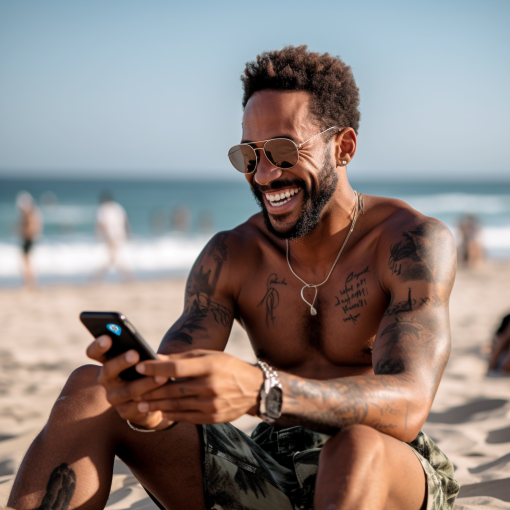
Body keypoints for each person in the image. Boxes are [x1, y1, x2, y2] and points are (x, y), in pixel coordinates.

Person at [8, 46, 460, 510]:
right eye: (248, 155)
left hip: (384, 466)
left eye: (284, 151)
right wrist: (145, 404)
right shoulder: (232, 254)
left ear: (342, 147)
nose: (264, 175)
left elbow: (409, 403)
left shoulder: (410, 242)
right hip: (267, 464)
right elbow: (172, 391)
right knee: (91, 390)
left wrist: (264, 390)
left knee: (355, 446)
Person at [93, 192, 132, 281]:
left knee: (108, 260)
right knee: (118, 259)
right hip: (120, 236)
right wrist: (128, 234)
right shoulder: (118, 208)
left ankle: (96, 279)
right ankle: (128, 278)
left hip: (110, 238)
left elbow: (103, 224)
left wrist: (100, 236)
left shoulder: (103, 209)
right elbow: (126, 222)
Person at [16, 191, 43, 288]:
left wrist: (22, 231)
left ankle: (29, 283)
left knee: (27, 262)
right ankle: (31, 282)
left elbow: (30, 229)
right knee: (28, 262)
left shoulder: (29, 215)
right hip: (30, 240)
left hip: (28, 240)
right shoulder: (34, 212)